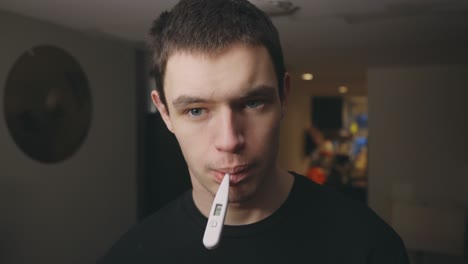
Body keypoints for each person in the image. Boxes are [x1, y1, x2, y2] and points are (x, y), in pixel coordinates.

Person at [98, 0, 409, 263]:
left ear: (283, 96)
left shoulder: (369, 245)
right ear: (164, 113)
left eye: (252, 103)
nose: (229, 140)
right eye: (195, 110)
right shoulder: (130, 256)